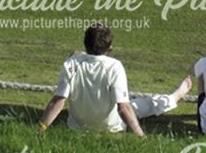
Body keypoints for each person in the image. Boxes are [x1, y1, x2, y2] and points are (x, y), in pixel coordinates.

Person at [38, 24, 192, 137]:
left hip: (77, 127)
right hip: (111, 127)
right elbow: (123, 108)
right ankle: (175, 96)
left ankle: (173, 97)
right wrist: (141, 136)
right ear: (109, 48)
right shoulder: (114, 66)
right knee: (144, 104)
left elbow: (58, 101)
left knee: (135, 105)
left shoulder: (72, 62)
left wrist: (40, 129)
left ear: (85, 44)